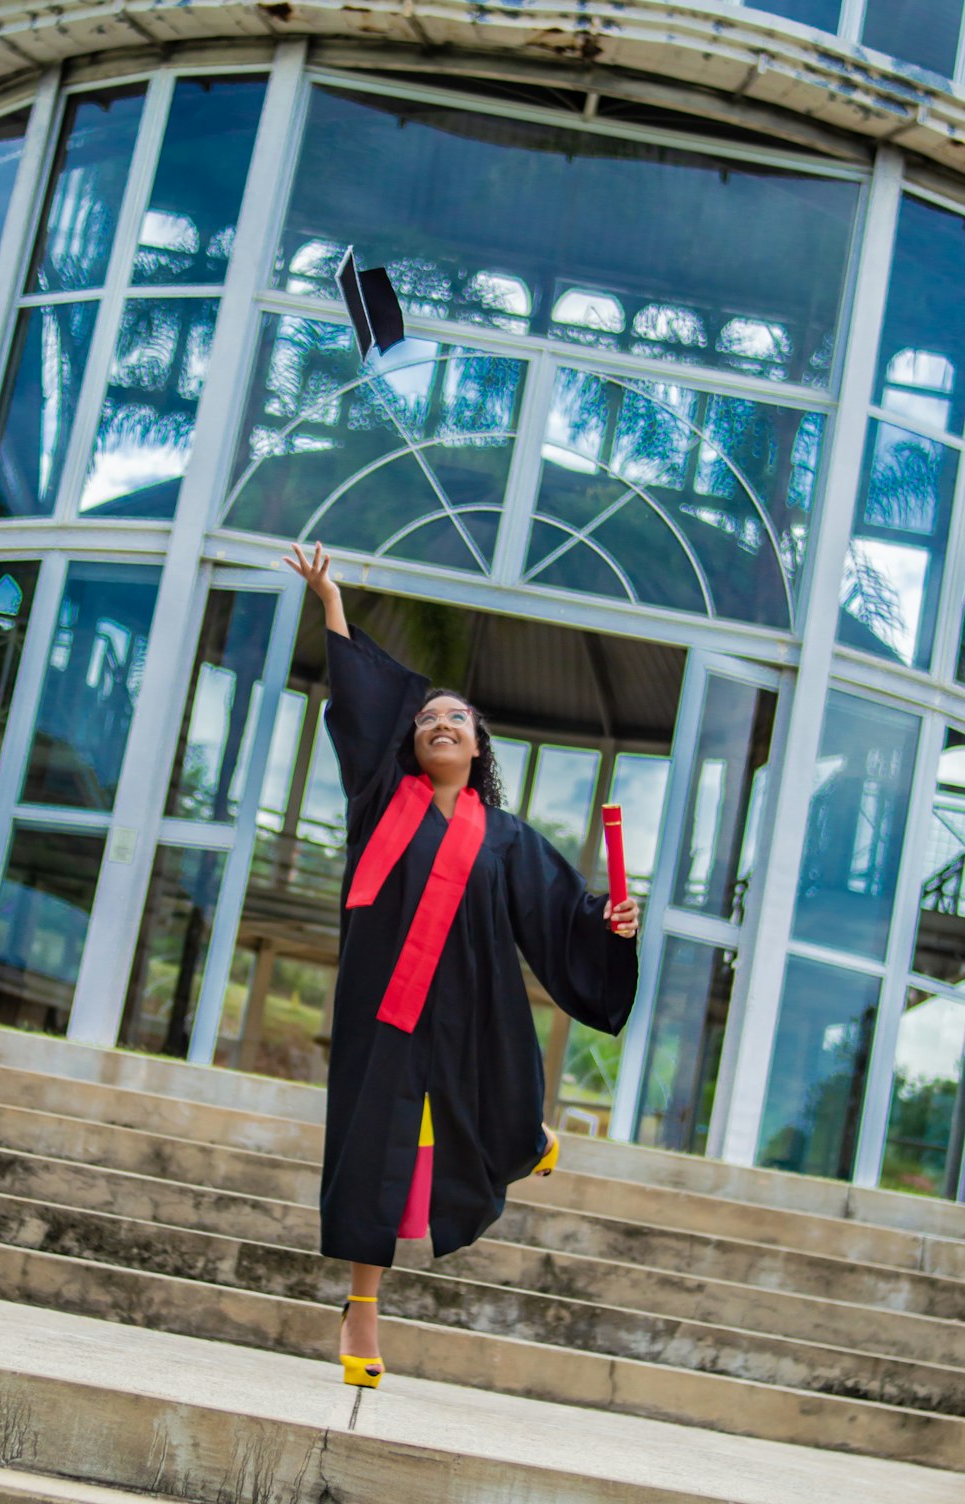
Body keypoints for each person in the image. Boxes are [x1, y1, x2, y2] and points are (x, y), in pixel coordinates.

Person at [283, 542, 640, 1388]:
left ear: (479, 746)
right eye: (427, 718)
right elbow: (362, 702)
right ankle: (361, 1313)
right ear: (411, 743)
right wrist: (332, 604)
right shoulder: (380, 799)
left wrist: (611, 923)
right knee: (373, 1149)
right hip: (385, 1005)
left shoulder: (507, 839)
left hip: (471, 1000)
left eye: (457, 719)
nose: (440, 723)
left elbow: (562, 913)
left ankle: (526, 1136)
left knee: (499, 1103)